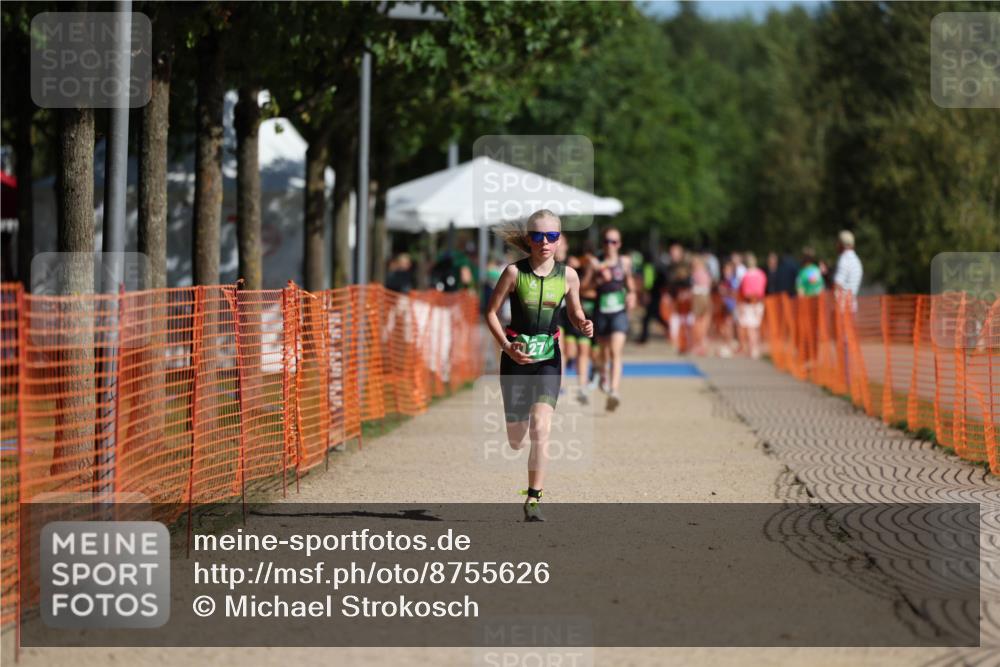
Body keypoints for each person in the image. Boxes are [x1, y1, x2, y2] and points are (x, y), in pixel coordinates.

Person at [485, 210, 593, 522]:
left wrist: (583, 323)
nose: (544, 243)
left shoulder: (568, 276)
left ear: (559, 240)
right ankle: (529, 481)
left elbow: (574, 313)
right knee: (516, 440)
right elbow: (490, 313)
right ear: (529, 239)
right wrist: (507, 346)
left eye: (551, 237)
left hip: (549, 359)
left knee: (541, 427)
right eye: (537, 236)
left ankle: (534, 498)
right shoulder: (514, 273)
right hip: (516, 359)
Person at [588, 226, 636, 412]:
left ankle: (614, 392)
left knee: (616, 352)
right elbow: (584, 287)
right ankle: (601, 374)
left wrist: (632, 295)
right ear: (603, 243)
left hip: (619, 312)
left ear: (619, 244)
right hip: (601, 312)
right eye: (607, 241)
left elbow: (630, 284)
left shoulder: (624, 263)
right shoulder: (595, 263)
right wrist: (598, 280)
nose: (610, 245)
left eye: (614, 241)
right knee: (603, 353)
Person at [737, 252, 767, 360]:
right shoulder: (761, 274)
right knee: (756, 327)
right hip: (759, 302)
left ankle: (752, 349)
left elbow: (743, 291)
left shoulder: (746, 276)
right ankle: (756, 348)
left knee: (750, 327)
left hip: (749, 303)